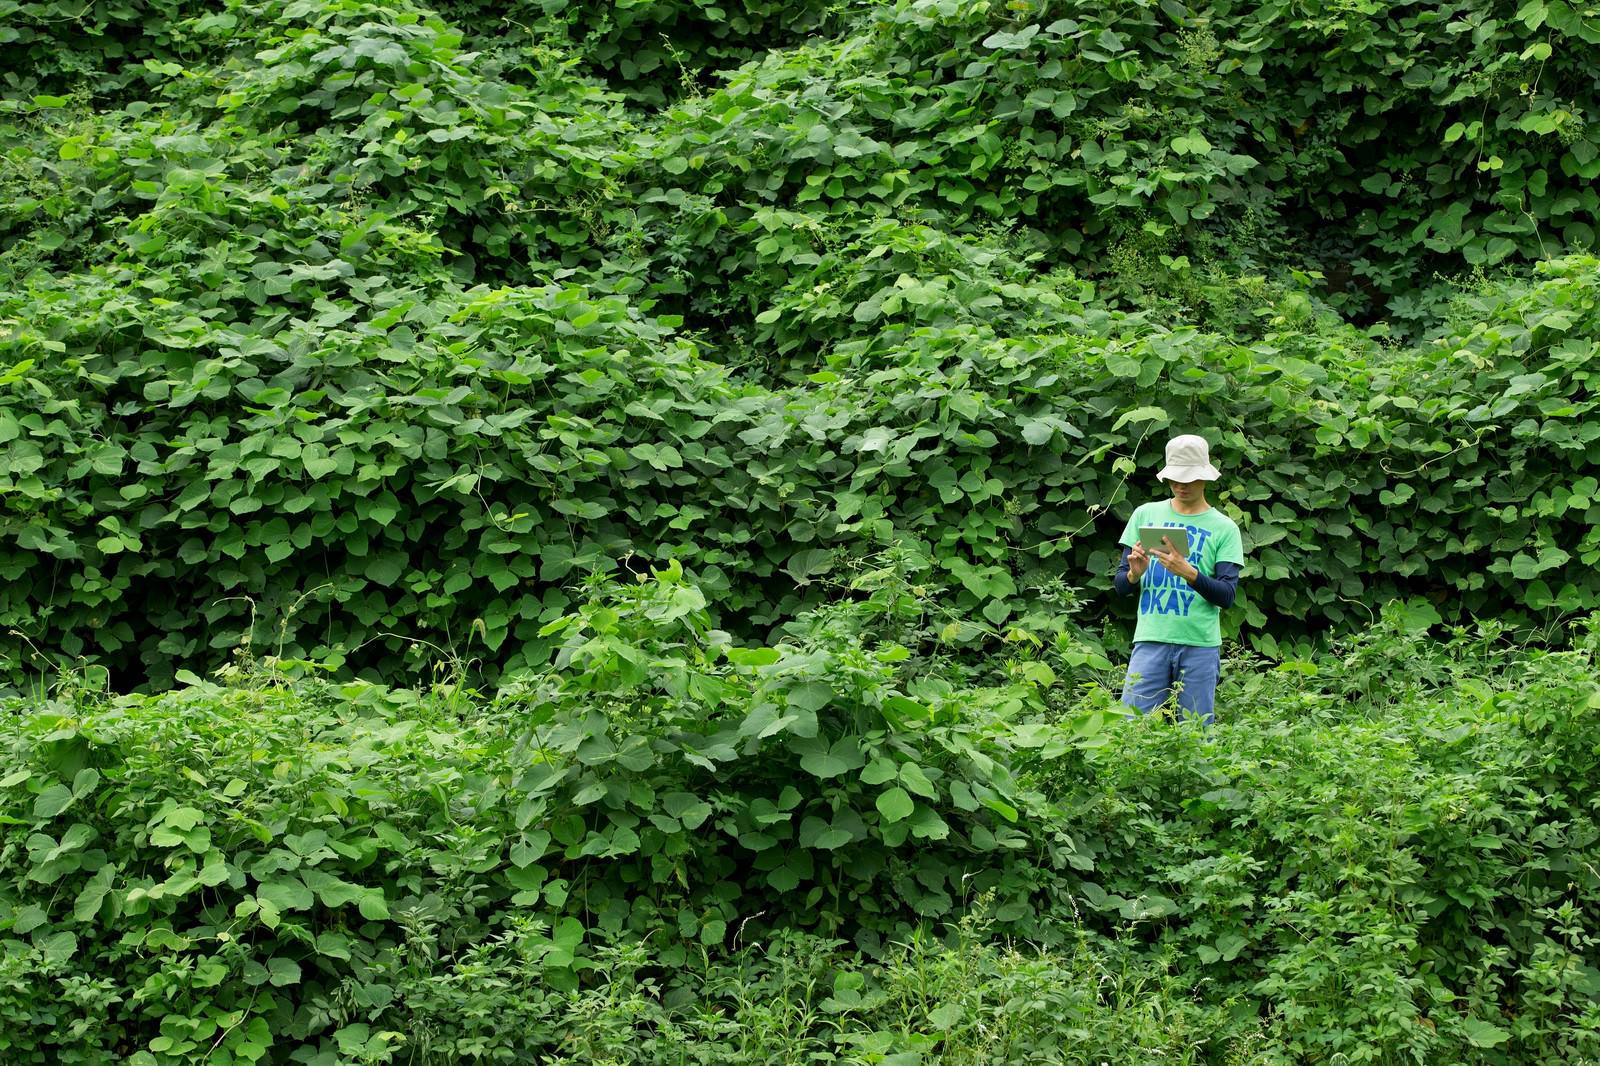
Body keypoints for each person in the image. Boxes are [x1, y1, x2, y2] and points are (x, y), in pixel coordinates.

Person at [1112, 434, 1244, 725]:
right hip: (1150, 639)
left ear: (1205, 477)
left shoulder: (1224, 528)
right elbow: (1120, 585)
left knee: (1196, 734)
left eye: (1190, 479)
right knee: (1132, 728)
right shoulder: (1145, 514)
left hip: (1199, 644)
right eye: (1175, 479)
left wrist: (1190, 573)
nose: (1181, 486)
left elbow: (1227, 595)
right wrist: (1135, 573)